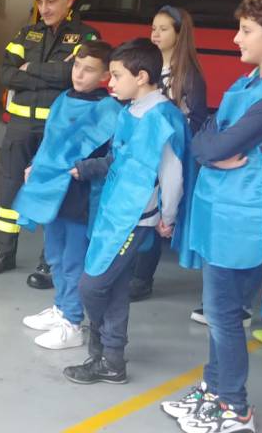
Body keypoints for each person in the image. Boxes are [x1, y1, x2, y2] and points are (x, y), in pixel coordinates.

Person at [165, 0, 262, 433]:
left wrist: (211, 148)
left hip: (247, 221)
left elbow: (218, 142)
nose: (235, 39)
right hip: (225, 213)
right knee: (217, 310)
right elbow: (205, 136)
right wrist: (210, 149)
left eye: (245, 31)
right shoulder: (250, 82)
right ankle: (214, 389)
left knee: (225, 314)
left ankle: (235, 405)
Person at [63, 39, 186, 385]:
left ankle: (102, 347)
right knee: (114, 288)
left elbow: (172, 174)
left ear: (142, 76)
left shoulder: (162, 117)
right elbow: (119, 160)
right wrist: (84, 168)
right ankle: (109, 361)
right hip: (115, 211)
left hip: (136, 217)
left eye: (116, 76)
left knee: (92, 285)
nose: (109, 82)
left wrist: (169, 216)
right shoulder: (132, 111)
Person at [0, 0, 101, 290]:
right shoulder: (25, 34)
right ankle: (1, 253)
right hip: (20, 126)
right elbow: (6, 74)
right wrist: (47, 75)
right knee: (10, 189)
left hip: (58, 131)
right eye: (39, 1)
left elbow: (70, 75)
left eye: (51, 1)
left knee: (54, 191)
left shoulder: (87, 38)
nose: (44, 8)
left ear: (69, 0)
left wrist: (31, 70)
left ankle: (49, 263)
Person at [14, 41, 121, 350]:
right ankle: (61, 307)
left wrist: (85, 168)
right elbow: (50, 141)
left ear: (104, 76)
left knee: (74, 260)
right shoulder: (63, 98)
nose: (79, 74)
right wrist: (35, 164)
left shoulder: (110, 110)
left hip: (80, 195)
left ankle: (73, 322)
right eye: (77, 66)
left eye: (89, 70)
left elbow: (112, 157)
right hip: (51, 191)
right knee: (55, 255)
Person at [130, 5, 207, 301]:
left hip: (168, 151)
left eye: (163, 29)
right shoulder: (147, 65)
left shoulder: (188, 74)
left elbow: (196, 119)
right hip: (141, 150)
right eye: (153, 28)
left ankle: (142, 278)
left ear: (179, 33)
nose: (155, 34)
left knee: (156, 214)